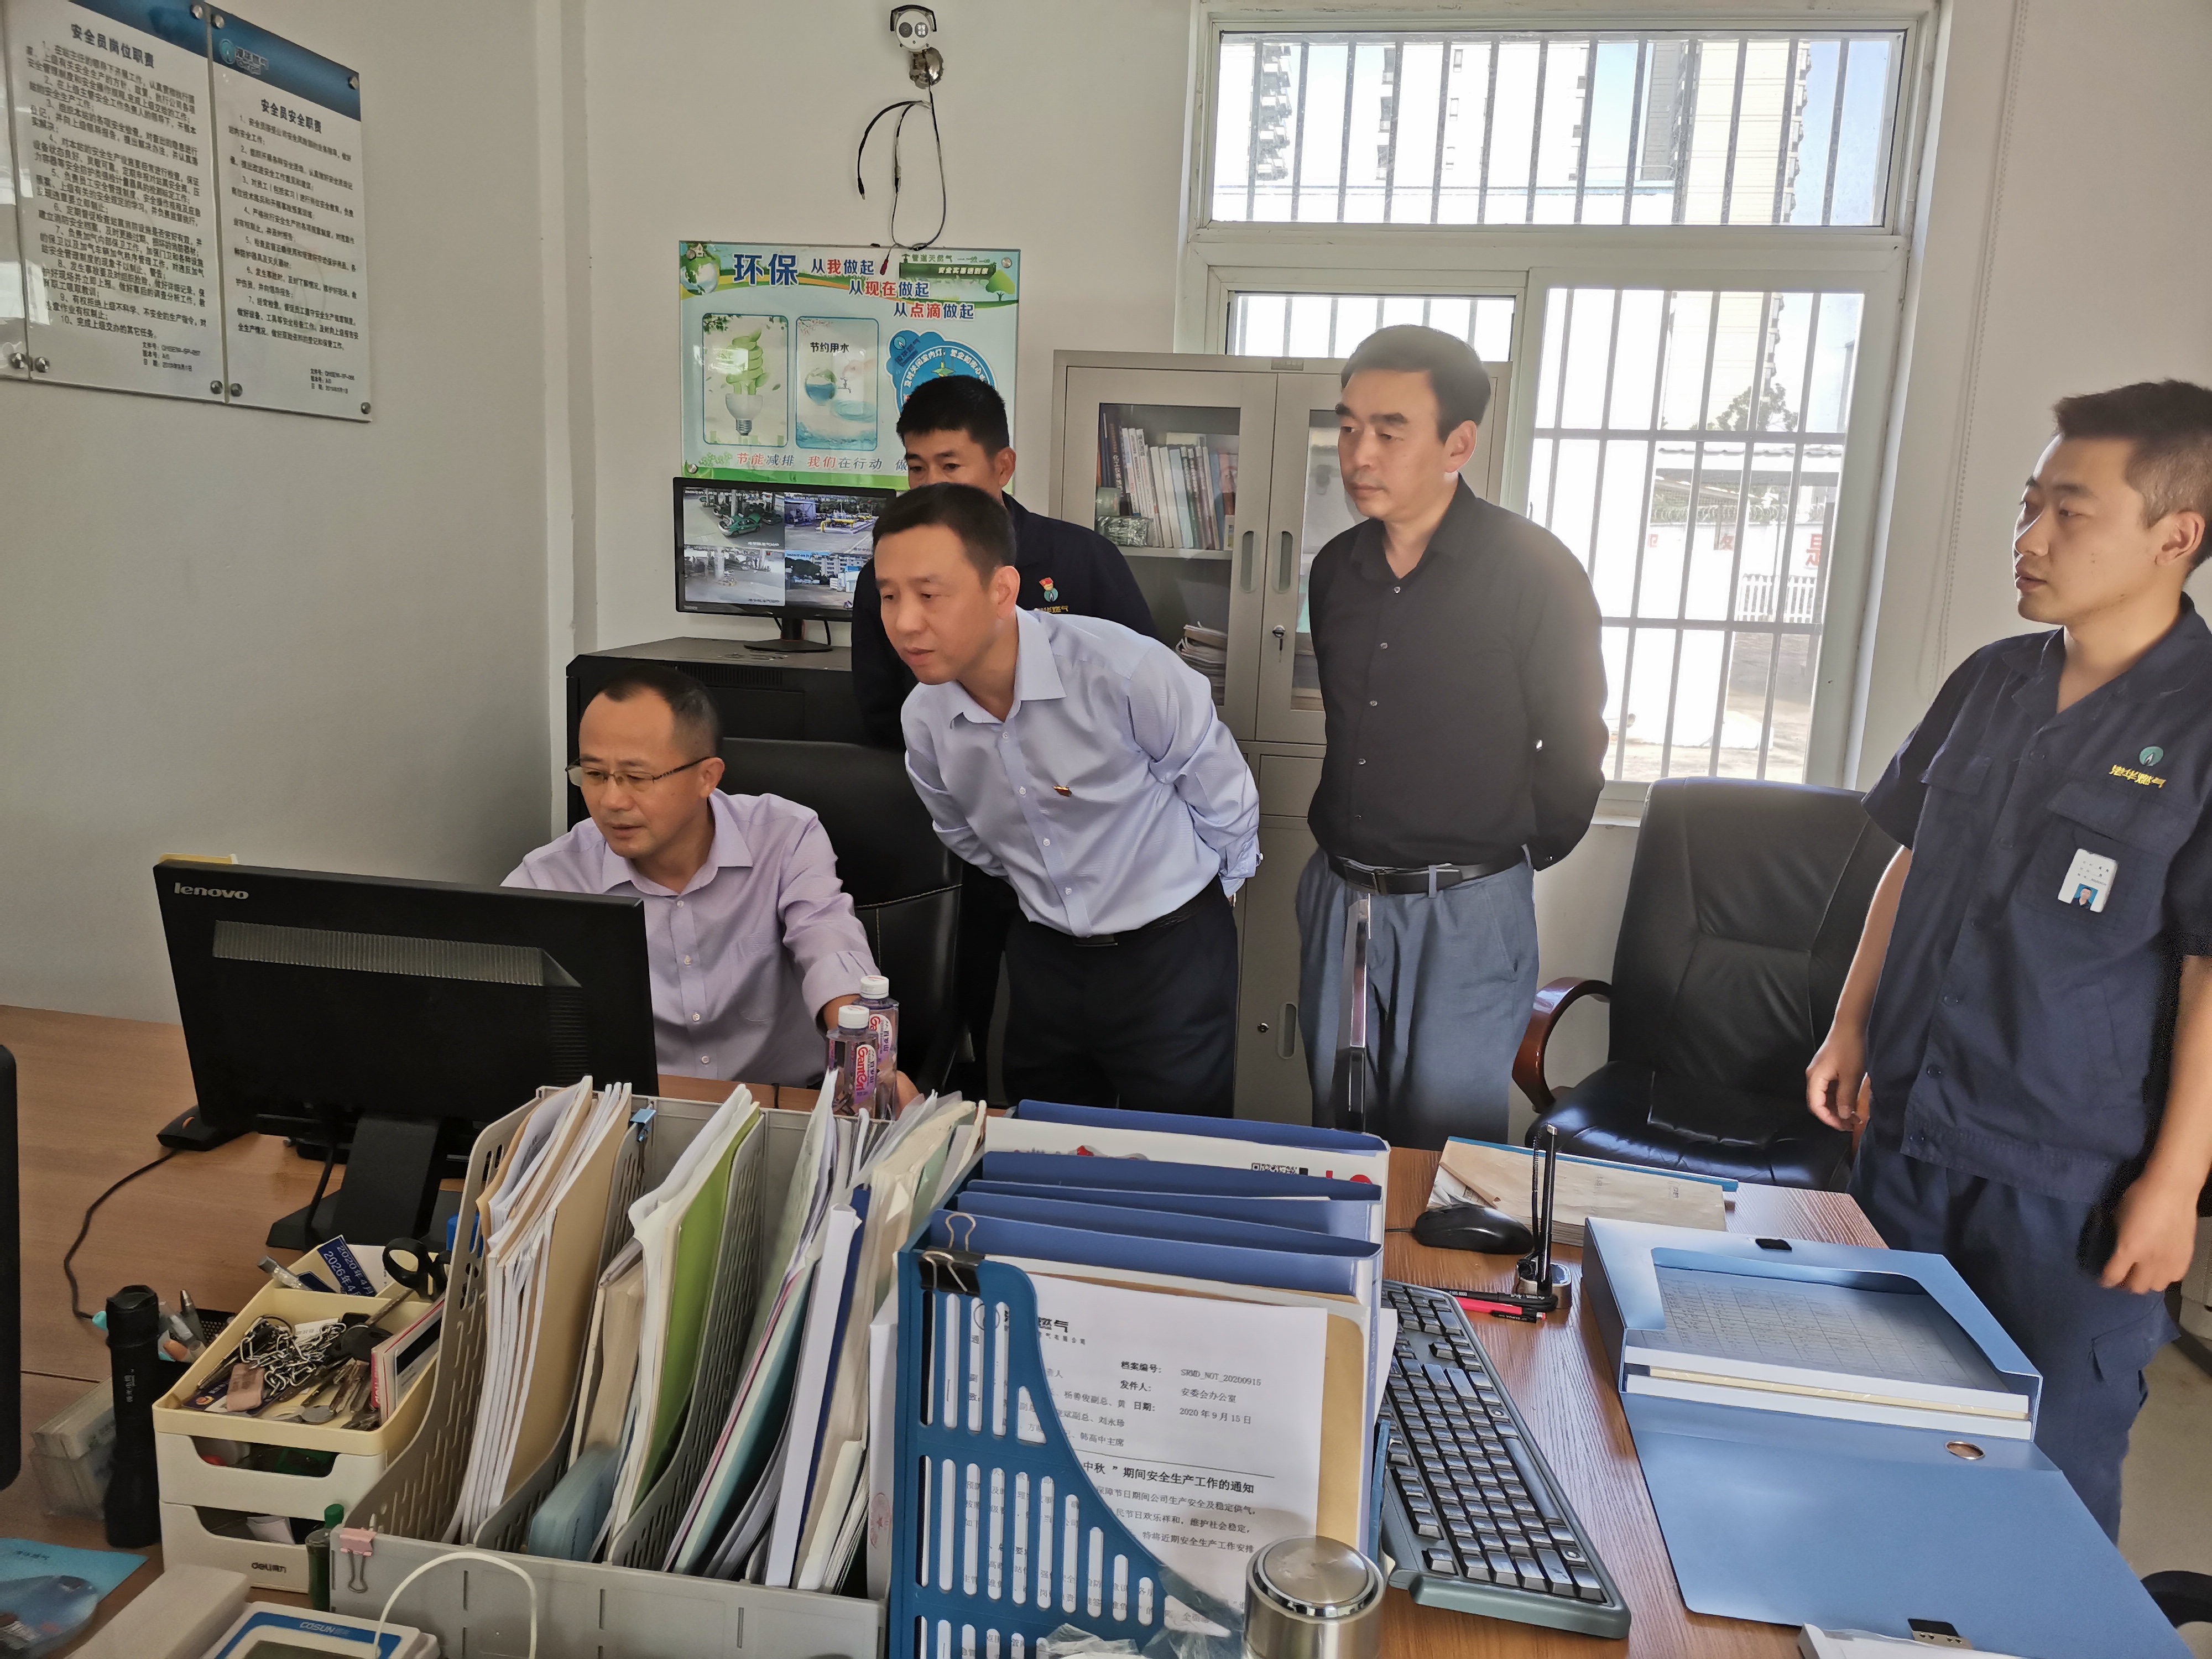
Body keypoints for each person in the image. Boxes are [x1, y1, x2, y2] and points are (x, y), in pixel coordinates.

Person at [1807, 380, 2212, 1539]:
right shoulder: (1990, 679)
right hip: (1903, 1138)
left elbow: (2206, 971)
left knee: (2043, 1491)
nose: (2028, 538)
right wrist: (1849, 1023)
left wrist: (2175, 1186)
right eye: (2028, 504)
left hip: (2065, 1178)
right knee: (1866, 1439)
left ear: (2174, 536)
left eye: (2069, 513)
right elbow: (1910, 860)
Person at [1296, 325, 1607, 1148]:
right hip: (1342, 897)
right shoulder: (1334, 570)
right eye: (1349, 426)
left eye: (1389, 430)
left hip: (1466, 908)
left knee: (1446, 1148)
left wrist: (1502, 860)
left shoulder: (1533, 569)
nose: (1360, 453)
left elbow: (1574, 742)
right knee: (1339, 1133)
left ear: (1457, 444)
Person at [877, 482, 1259, 1117]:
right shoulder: (924, 718)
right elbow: (964, 834)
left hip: (1170, 955)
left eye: (929, 594)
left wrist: (1208, 902)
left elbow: (1223, 796)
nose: (904, 622)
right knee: (1046, 1143)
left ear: (1001, 590)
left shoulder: (1124, 672)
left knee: (1180, 1153)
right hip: (1044, 958)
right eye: (888, 596)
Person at [851, 374, 1155, 1100]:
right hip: (977, 848)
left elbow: (1147, 699)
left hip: (1102, 859)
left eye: (950, 465)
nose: (930, 485)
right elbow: (881, 716)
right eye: (916, 467)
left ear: (1003, 465)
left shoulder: (1079, 558)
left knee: (1125, 1060)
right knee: (995, 1037)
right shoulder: (886, 578)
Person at [508, 663, 900, 1093]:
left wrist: (871, 1065)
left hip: (781, 1103)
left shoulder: (785, 836)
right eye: (596, 775)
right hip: (634, 1108)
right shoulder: (551, 878)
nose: (612, 801)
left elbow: (830, 946)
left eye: (637, 778)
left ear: (706, 777)